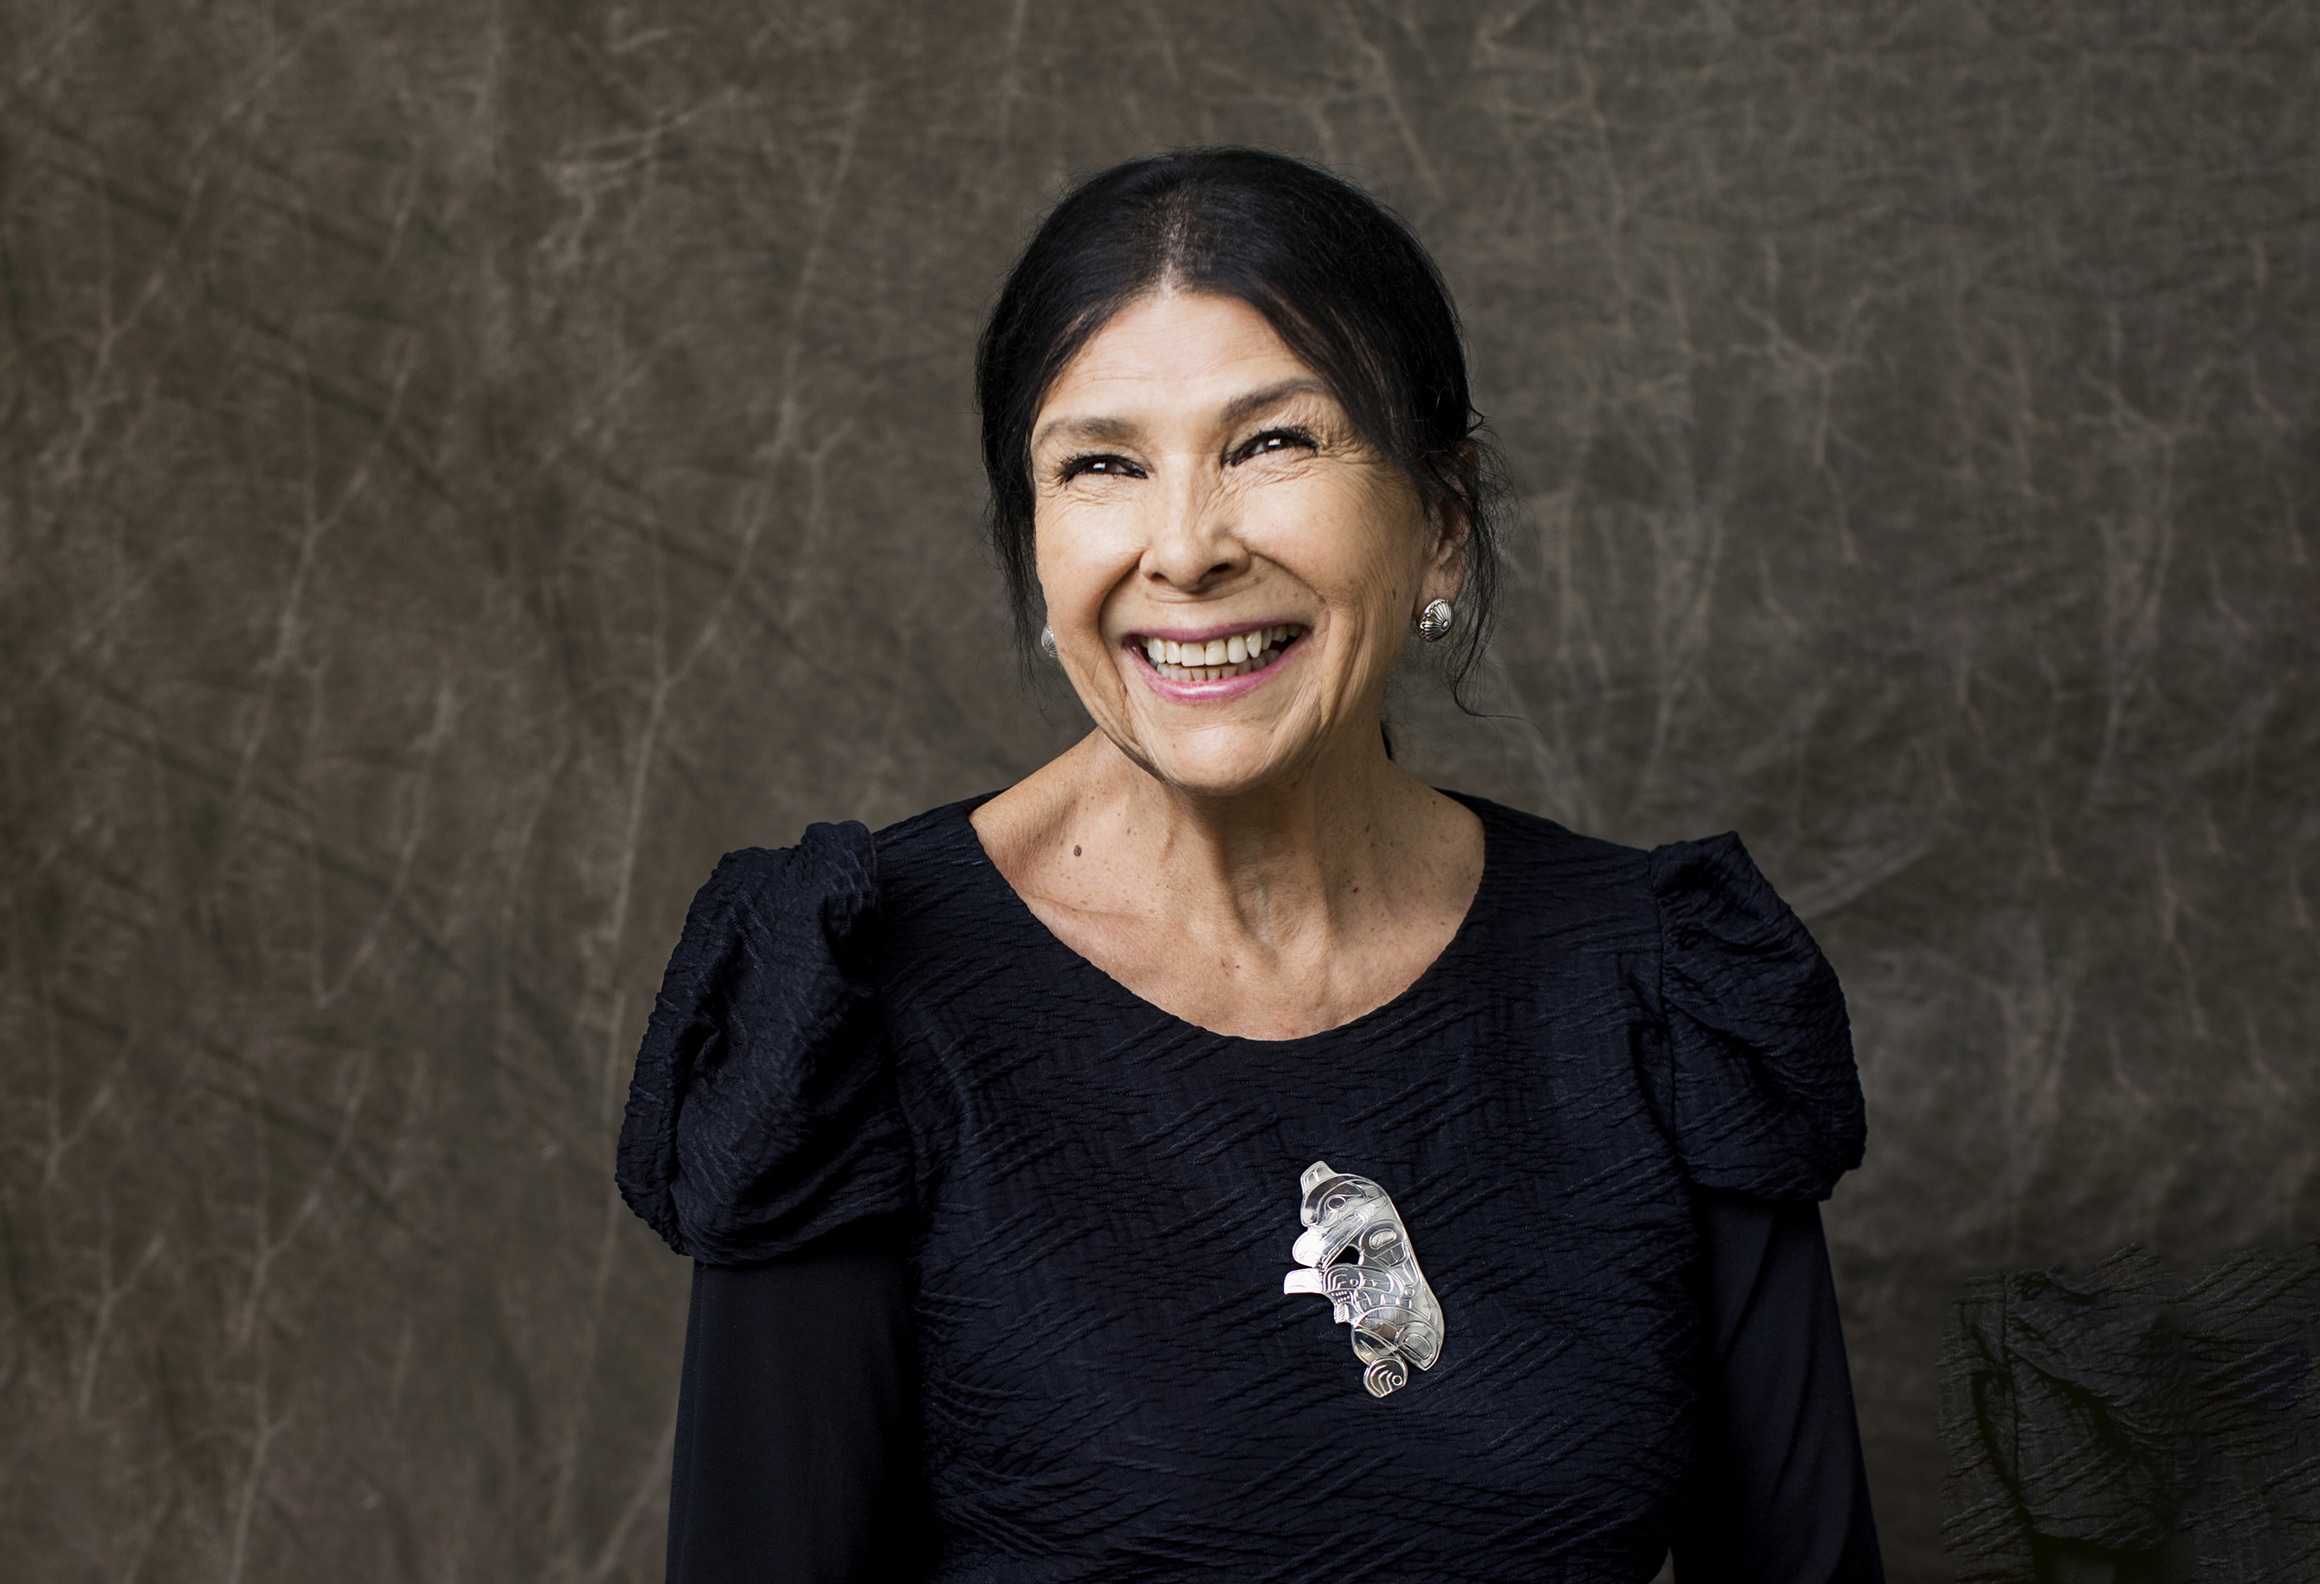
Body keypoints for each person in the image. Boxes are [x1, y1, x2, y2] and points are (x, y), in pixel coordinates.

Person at [618, 147, 1884, 1583]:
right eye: (1099, 464)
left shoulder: (1659, 986)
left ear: (1442, 525)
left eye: (1273, 443)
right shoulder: (852, 1006)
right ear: (1034, 543)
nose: (1184, 549)